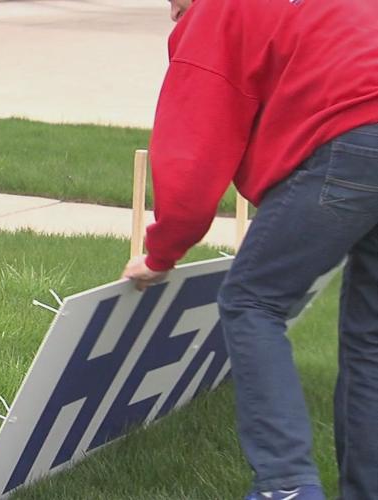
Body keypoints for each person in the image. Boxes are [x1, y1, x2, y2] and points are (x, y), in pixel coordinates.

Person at [122, 0, 378, 498]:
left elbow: (191, 163)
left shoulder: (215, 11)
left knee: (252, 300)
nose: (172, 12)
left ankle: (283, 486)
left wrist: (161, 255)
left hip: (351, 137)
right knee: (371, 339)